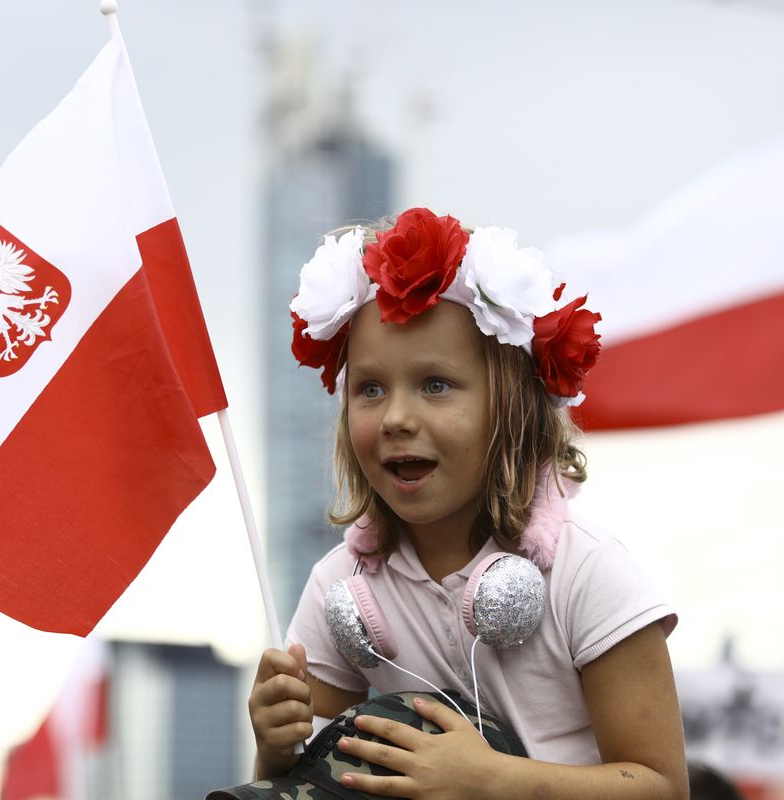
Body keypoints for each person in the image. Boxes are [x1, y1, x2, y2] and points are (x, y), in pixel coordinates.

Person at [247, 208, 687, 799]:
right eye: (370, 389)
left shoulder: (586, 572)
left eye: (435, 385)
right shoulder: (340, 586)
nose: (398, 417)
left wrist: (490, 781)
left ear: (511, 407)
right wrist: (275, 745)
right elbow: (305, 788)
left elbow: (663, 786)